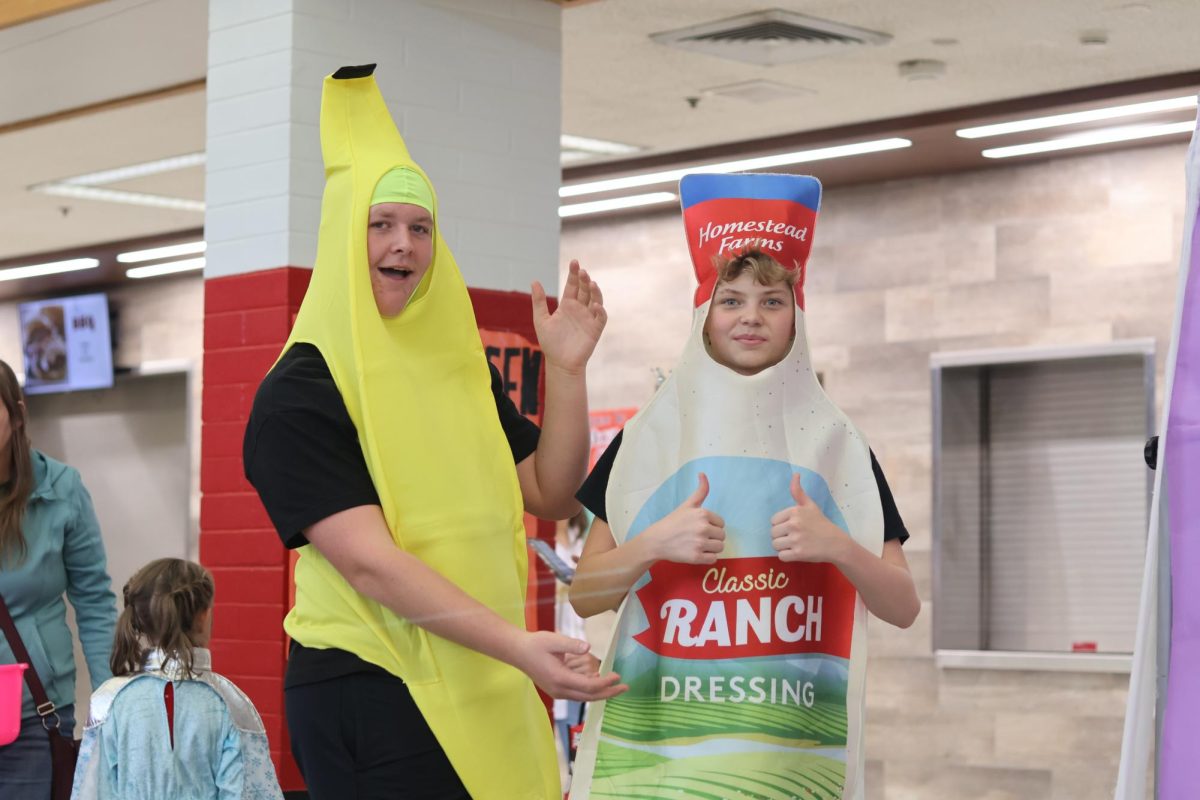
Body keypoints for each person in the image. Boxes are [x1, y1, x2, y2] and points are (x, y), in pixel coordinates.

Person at [242, 64, 622, 800]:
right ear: (341, 238)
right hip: (375, 684)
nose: (404, 245)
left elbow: (549, 485)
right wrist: (517, 645)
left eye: (421, 228)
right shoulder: (300, 391)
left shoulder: (457, 366)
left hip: (488, 669)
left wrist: (567, 371)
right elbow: (370, 567)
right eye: (380, 225)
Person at [567, 172, 918, 800]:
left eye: (771, 301)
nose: (750, 317)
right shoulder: (648, 439)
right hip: (653, 766)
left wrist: (837, 545)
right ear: (703, 315)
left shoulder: (839, 445)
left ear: (796, 317)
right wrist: (651, 542)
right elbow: (587, 596)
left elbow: (902, 606)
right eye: (731, 300)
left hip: (792, 769)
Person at [0, 358, 116, 800]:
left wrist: (106, 700)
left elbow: (94, 601)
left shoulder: (63, 488)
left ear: (17, 414)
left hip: (35, 711)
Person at [70, 558, 282, 799]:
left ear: (139, 617)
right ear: (203, 615)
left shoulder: (108, 702)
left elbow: (93, 792)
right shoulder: (231, 704)